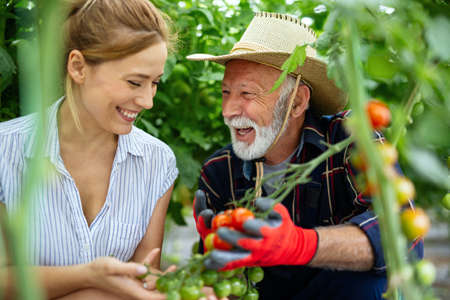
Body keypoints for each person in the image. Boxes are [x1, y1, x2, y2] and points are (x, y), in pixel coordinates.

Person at [188, 12, 424, 300]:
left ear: (297, 101)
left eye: (247, 94)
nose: (228, 110)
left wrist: (300, 244)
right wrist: (216, 251)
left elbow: (403, 235)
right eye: (226, 92)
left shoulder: (349, 140)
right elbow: (220, 285)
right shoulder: (218, 171)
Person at [0, 0, 178, 299]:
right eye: (135, 82)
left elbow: (143, 275)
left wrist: (158, 284)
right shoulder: (6, 151)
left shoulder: (157, 161)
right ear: (78, 67)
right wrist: (91, 277)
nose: (148, 101)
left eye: (155, 83)